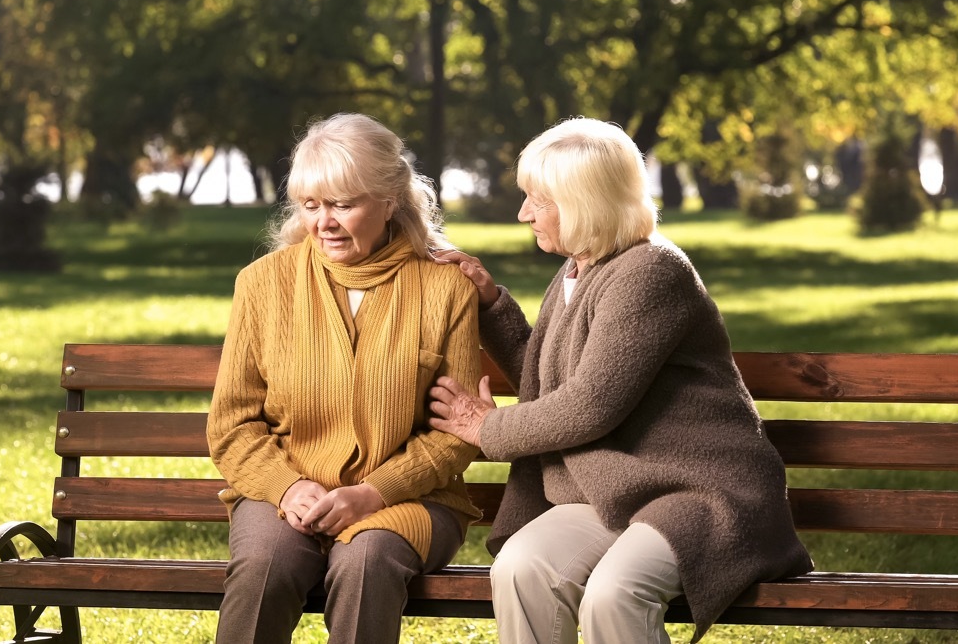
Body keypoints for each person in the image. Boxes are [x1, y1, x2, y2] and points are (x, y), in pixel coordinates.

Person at [428, 117, 813, 644]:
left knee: (615, 591)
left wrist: (487, 428)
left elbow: (589, 405)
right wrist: (492, 303)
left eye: (538, 200)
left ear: (583, 201)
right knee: (520, 568)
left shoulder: (651, 271)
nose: (523, 214)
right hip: (614, 486)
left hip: (696, 490)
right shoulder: (578, 270)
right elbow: (551, 383)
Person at [207, 113, 482, 644]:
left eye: (342, 204)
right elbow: (232, 425)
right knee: (265, 565)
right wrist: (287, 488)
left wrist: (375, 493)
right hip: (284, 492)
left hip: (413, 501)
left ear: (389, 201)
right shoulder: (263, 285)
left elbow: (454, 434)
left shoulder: (446, 289)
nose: (323, 222)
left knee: (366, 560)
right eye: (311, 205)